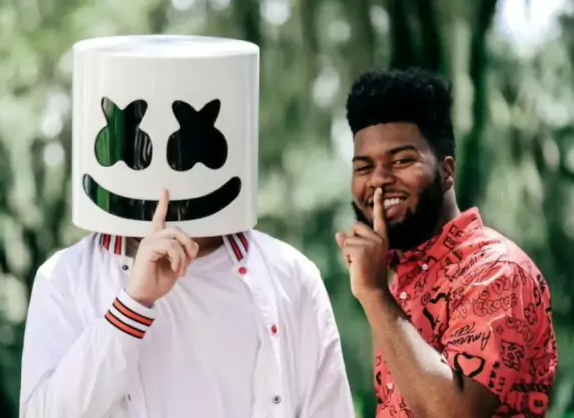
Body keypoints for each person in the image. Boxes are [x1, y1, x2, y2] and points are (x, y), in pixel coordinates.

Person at [19, 35, 354, 418]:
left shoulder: (291, 278)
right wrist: (132, 306)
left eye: (193, 149)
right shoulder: (65, 278)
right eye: (133, 148)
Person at [335, 67, 558, 417]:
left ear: (447, 171)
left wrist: (374, 295)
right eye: (364, 167)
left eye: (402, 160)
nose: (378, 180)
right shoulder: (402, 280)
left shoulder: (497, 271)